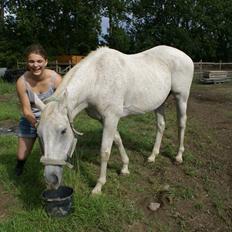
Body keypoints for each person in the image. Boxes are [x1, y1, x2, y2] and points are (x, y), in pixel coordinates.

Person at [15, 44, 62, 176]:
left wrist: (51, 125)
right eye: (32, 61)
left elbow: (62, 106)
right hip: (30, 121)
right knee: (21, 155)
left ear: (46, 61)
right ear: (27, 62)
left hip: (50, 122)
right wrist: (38, 125)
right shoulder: (22, 82)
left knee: (49, 154)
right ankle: (19, 166)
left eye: (39, 61)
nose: (35, 65)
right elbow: (26, 110)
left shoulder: (55, 79)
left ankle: (53, 175)